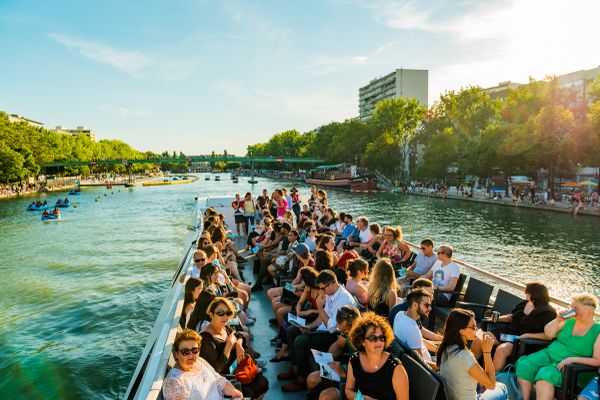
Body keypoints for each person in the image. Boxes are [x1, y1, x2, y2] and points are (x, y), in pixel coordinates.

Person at [516, 293, 600, 400]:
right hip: (550, 354)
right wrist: (557, 320)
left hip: (571, 367)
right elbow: (549, 334)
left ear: (590, 311)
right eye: (572, 307)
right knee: (525, 365)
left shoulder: (597, 330)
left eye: (576, 308)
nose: (572, 311)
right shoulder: (569, 321)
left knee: (546, 375)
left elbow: (597, 360)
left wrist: (572, 359)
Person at [200, 298, 268, 399]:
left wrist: (238, 345)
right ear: (211, 314)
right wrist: (229, 344)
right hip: (224, 378)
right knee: (249, 392)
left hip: (237, 369)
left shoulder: (224, 326)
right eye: (220, 313)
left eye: (228, 313)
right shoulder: (206, 338)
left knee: (263, 382)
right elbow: (218, 368)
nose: (225, 316)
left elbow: (238, 335)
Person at [437, 308, 508, 400]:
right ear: (461, 331)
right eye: (473, 327)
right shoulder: (464, 356)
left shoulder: (445, 348)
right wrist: (487, 352)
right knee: (502, 388)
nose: (477, 329)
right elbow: (491, 385)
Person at [484, 282, 557, 370]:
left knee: (502, 349)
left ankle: (492, 380)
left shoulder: (548, 312)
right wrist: (497, 318)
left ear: (534, 294)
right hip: (511, 334)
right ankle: (472, 368)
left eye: (527, 292)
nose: (525, 294)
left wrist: (527, 336)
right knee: (483, 337)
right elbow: (512, 316)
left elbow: (548, 336)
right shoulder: (525, 303)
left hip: (526, 342)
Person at [162, 329, 243, 400]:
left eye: (194, 350)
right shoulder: (174, 383)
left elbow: (217, 379)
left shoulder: (199, 361)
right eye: (185, 352)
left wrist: (233, 392)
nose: (191, 355)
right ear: (176, 354)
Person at [345, 312, 409, 400]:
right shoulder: (354, 360)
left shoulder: (396, 368)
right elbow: (348, 390)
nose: (379, 342)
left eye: (381, 338)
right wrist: (363, 398)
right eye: (373, 338)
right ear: (362, 341)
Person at [393, 288, 441, 371]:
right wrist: (443, 367)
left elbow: (419, 341)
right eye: (426, 305)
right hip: (430, 371)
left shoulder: (400, 315)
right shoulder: (412, 330)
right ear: (415, 305)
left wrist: (439, 348)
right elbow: (421, 365)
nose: (430, 308)